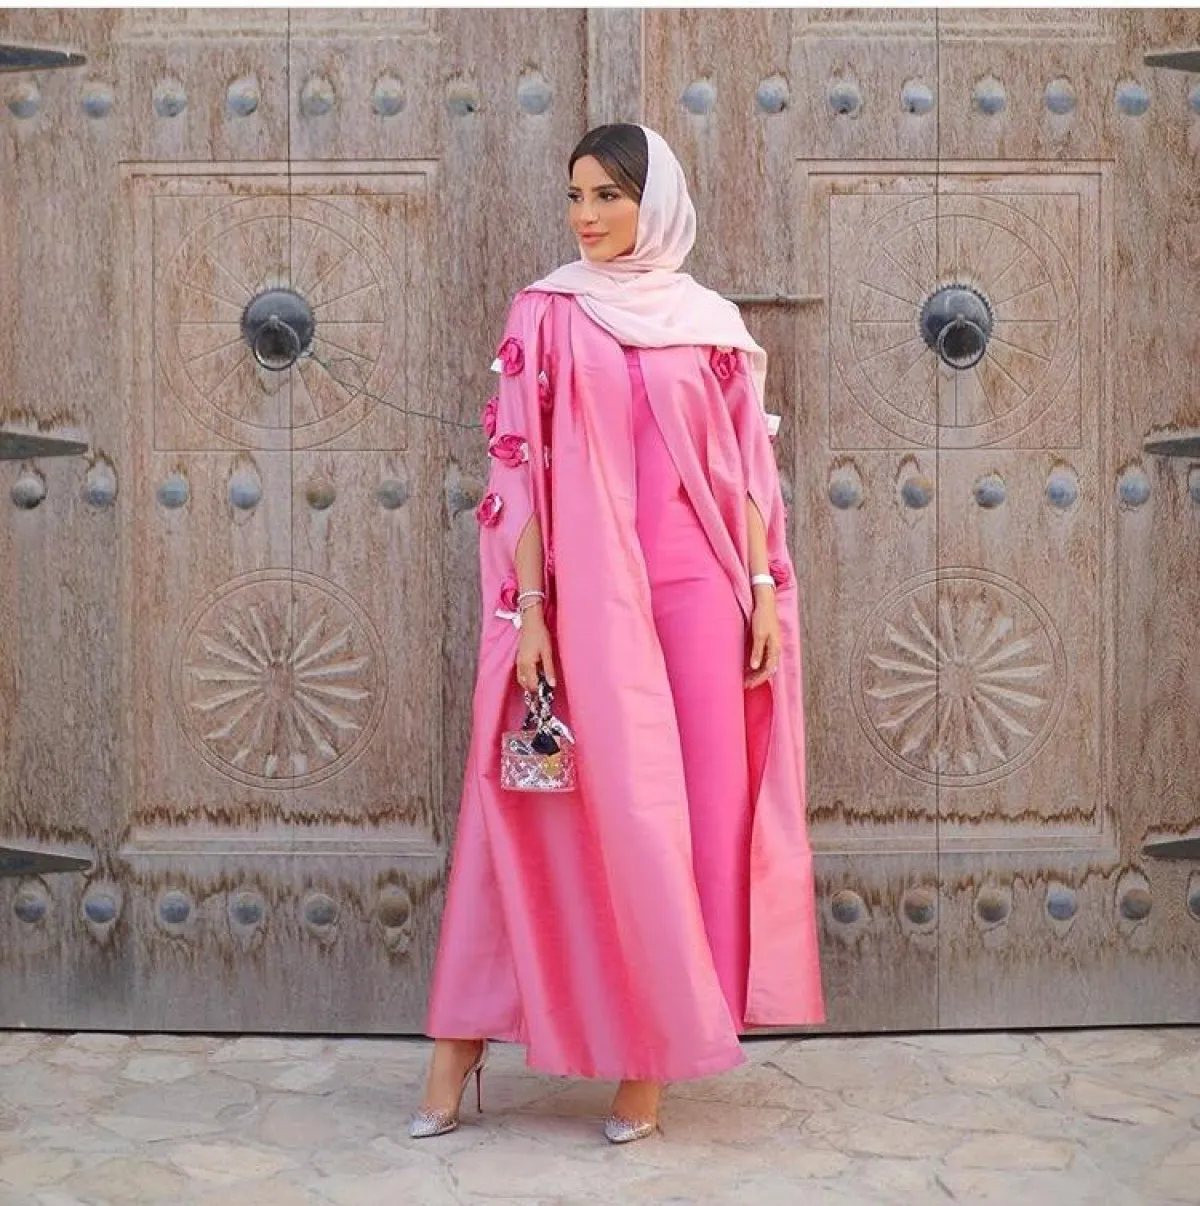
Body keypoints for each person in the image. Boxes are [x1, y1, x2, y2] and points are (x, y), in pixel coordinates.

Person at [411, 123, 824, 1145]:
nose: (586, 216)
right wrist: (530, 609)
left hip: (701, 595)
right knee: (559, 810)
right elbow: (517, 466)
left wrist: (763, 591)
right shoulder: (548, 310)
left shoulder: (710, 323)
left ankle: (650, 1061)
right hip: (588, 600)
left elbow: (746, 470)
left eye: (608, 196)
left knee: (694, 819)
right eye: (576, 195)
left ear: (656, 203)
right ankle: (460, 1043)